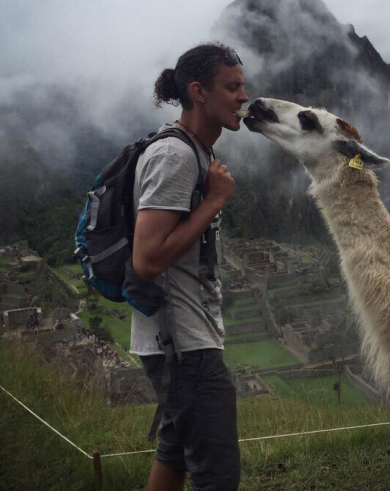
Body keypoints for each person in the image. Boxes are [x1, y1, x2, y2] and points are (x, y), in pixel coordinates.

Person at [129, 42, 248, 491]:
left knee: (174, 453)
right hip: (184, 347)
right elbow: (147, 259)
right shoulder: (175, 156)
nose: (243, 98)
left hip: (180, 341)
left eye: (243, 87)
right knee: (216, 475)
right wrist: (216, 200)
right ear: (199, 91)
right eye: (232, 87)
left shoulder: (194, 152)